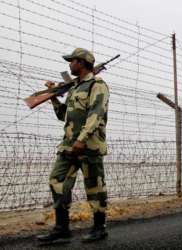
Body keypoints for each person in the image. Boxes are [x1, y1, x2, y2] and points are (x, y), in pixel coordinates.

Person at [37, 48, 110, 243]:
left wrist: (82, 139)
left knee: (94, 186)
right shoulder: (74, 88)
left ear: (81, 63)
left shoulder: (97, 85)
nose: (69, 64)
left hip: (89, 145)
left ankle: (99, 227)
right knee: (57, 180)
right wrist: (53, 96)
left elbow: (97, 114)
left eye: (72, 61)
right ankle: (62, 229)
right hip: (69, 144)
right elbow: (64, 116)